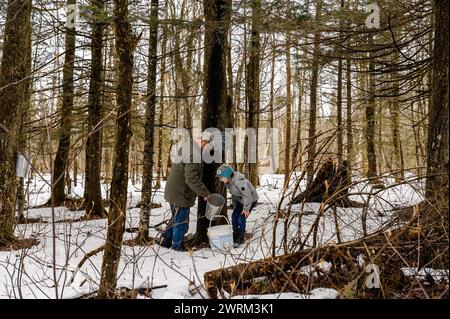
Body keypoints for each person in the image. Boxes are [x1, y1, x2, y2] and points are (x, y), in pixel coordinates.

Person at [160, 133, 212, 251]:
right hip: (180, 193)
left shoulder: (189, 146)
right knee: (181, 223)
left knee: (176, 219)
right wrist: (205, 193)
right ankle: (177, 247)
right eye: (209, 146)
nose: (209, 149)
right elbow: (191, 178)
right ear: (204, 142)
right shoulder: (194, 154)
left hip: (174, 190)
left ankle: (165, 241)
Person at [216, 164, 258, 246]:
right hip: (241, 200)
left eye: (221, 178)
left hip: (250, 200)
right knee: (234, 216)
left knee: (241, 218)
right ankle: (235, 234)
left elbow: (248, 195)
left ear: (227, 176)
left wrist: (246, 209)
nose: (220, 180)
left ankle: (241, 237)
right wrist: (235, 205)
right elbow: (234, 194)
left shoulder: (239, 182)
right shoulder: (228, 182)